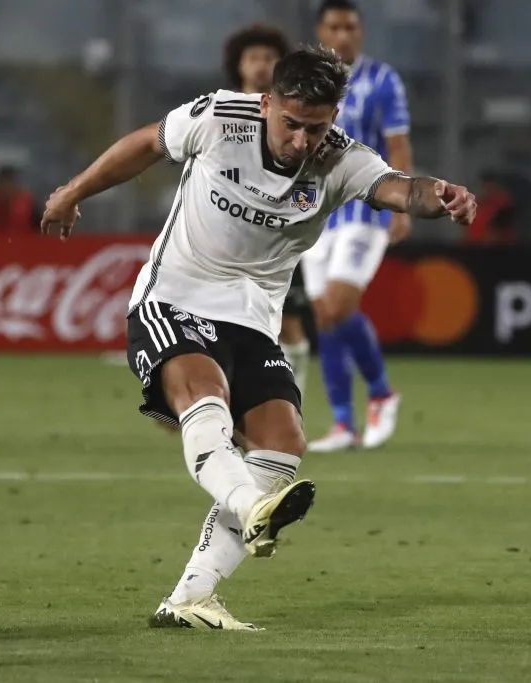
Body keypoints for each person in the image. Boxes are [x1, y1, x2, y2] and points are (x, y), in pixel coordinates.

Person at [40, 47, 476, 631]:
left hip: (251, 319)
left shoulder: (341, 160)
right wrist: (74, 191)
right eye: (290, 123)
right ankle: (252, 508)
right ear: (267, 103)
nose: (300, 140)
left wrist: (439, 195)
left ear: (333, 118)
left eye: (315, 127)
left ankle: (191, 597)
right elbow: (146, 143)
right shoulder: (220, 119)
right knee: (205, 397)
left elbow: (398, 188)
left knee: (283, 440)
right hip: (175, 296)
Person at [302, 0, 414, 452]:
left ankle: (383, 392)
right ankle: (344, 424)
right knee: (325, 317)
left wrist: (403, 203)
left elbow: (398, 144)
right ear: (320, 31)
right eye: (335, 27)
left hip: (365, 207)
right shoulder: (306, 81)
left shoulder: (383, 80)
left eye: (351, 27)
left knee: (338, 304)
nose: (343, 35)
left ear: (361, 32)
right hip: (313, 210)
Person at [222, 23, 311, 396]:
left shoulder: (298, 117)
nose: (261, 66)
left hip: (280, 236)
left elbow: (312, 176)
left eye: (269, 59)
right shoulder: (219, 111)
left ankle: (292, 400)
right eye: (253, 58)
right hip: (227, 235)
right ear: (238, 65)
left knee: (288, 323)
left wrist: (300, 213)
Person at [466, 171, 518, 245]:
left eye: (490, 185)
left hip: (496, 249)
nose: (487, 188)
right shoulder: (474, 204)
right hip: (474, 247)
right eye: (484, 185)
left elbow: (501, 230)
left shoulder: (503, 203)